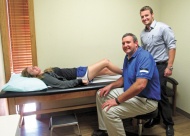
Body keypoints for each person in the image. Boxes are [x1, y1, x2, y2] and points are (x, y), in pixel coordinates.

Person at [91, 33, 161, 136]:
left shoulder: (145, 57)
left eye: (128, 42)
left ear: (136, 43)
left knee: (109, 112)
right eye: (123, 43)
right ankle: (105, 130)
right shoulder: (128, 57)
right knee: (100, 93)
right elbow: (124, 77)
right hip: (134, 95)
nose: (125, 45)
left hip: (146, 100)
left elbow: (140, 85)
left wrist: (117, 101)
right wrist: (111, 85)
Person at [139, 6, 176, 136]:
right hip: (149, 67)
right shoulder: (143, 34)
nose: (144, 18)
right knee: (150, 93)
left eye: (146, 15)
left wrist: (169, 66)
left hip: (161, 65)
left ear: (152, 15)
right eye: (142, 16)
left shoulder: (163, 28)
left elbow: (172, 47)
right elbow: (144, 52)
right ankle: (155, 118)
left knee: (160, 92)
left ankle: (169, 124)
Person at [21, 59, 122, 89]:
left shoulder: (46, 71)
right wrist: (79, 81)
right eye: (32, 70)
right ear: (33, 76)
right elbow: (62, 84)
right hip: (81, 75)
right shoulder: (45, 77)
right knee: (106, 62)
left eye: (33, 66)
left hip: (80, 70)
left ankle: (124, 73)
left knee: (105, 70)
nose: (34, 67)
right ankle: (127, 73)